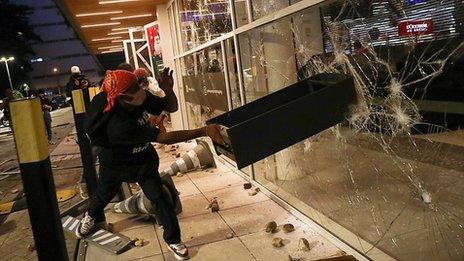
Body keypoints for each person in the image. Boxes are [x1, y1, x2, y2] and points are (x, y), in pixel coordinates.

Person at [79, 68, 224, 260]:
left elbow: (170, 107)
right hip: (116, 163)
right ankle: (90, 215)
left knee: (159, 197)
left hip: (142, 159)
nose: (141, 88)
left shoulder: (138, 96)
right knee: (102, 195)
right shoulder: (118, 126)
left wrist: (167, 90)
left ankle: (173, 240)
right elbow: (163, 138)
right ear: (124, 97)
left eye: (137, 84)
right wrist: (203, 131)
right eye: (135, 87)